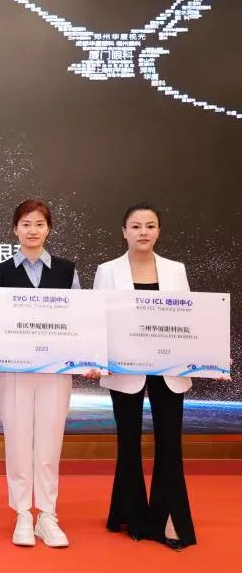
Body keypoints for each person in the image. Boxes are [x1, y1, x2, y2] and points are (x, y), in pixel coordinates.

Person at [93, 203, 197, 551]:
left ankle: (169, 520)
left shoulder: (176, 270)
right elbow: (97, 319)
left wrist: (208, 355)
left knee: (170, 443)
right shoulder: (107, 271)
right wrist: (99, 357)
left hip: (169, 367)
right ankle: (131, 517)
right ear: (124, 232)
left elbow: (190, 320)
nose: (143, 232)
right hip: (125, 368)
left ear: (158, 231)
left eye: (150, 226)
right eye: (135, 226)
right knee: (128, 443)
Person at [0, 199, 81, 548]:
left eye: (39, 224)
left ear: (48, 229)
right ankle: (23, 513)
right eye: (26, 224)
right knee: (18, 441)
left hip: (55, 371)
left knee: (50, 443)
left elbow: (78, 321)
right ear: (15, 229)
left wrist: (85, 356)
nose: (33, 230)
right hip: (13, 372)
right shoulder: (0, 273)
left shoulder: (67, 271)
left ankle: (48, 515)